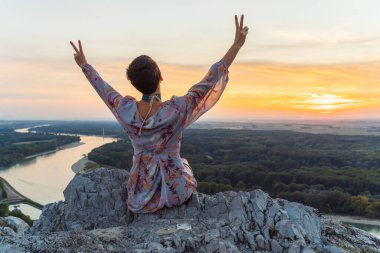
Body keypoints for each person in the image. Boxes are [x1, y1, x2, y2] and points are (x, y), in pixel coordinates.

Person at [70, 14, 249, 220]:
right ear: (161, 77)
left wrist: (85, 65)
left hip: (141, 193)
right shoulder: (177, 109)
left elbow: (104, 89)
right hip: (176, 190)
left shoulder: (125, 109)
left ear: (134, 84)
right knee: (184, 164)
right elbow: (208, 81)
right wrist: (236, 46)